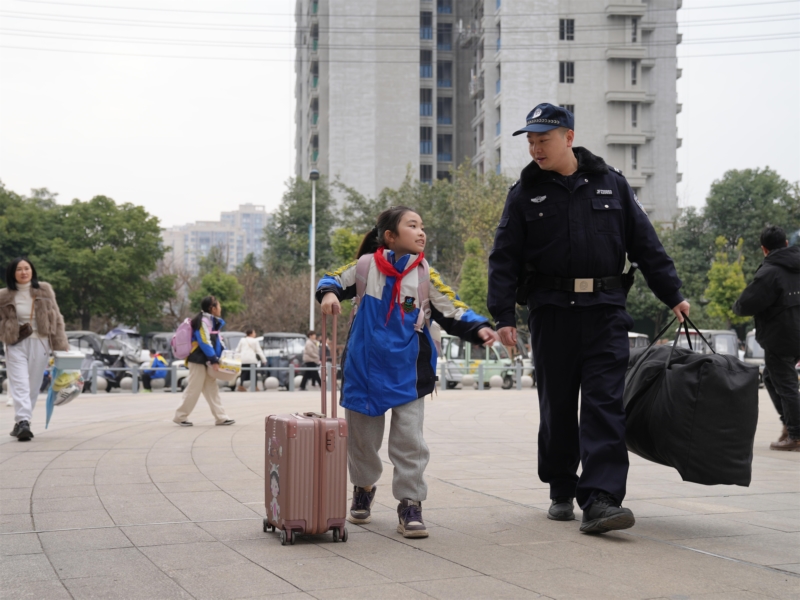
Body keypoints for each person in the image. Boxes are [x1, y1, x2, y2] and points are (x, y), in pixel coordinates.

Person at [487, 104, 690, 534]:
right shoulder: (523, 194)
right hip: (551, 312)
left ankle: (601, 498)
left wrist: (672, 294)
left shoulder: (612, 183)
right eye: (531, 141)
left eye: (543, 139)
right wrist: (503, 314)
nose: (535, 148)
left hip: (605, 311)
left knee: (605, 404)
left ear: (568, 137)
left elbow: (645, 244)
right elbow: (503, 257)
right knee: (557, 406)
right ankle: (561, 486)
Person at [317, 206, 499, 538]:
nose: (421, 232)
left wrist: (479, 328)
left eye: (422, 226)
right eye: (412, 225)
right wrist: (329, 294)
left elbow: (453, 308)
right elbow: (331, 279)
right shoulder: (365, 267)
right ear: (390, 236)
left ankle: (410, 503)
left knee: (410, 442)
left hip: (409, 373)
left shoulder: (425, 275)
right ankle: (363, 486)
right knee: (362, 442)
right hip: (364, 371)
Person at [733, 226, 800, 451]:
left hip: (781, 338)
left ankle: (796, 435)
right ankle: (790, 424)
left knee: (787, 385)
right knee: (771, 378)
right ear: (786, 244)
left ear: (764, 249)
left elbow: (746, 304)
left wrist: (737, 306)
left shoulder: (770, 272)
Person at [0, 257, 69, 441]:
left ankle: (21, 422)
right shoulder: (3, 295)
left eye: (27, 268)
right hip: (15, 343)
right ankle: (24, 421)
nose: (24, 272)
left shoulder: (44, 290)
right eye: (19, 269)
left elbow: (57, 318)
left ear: (32, 271)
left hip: (41, 342)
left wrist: (61, 346)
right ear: (12, 273)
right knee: (20, 383)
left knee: (33, 385)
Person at [173, 296, 235, 427]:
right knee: (194, 388)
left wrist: (223, 356)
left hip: (206, 360)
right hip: (198, 360)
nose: (220, 308)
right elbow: (204, 341)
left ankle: (221, 417)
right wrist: (214, 360)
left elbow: (218, 341)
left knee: (212, 389)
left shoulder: (212, 321)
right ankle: (180, 416)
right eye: (218, 305)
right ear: (212, 308)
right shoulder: (203, 321)